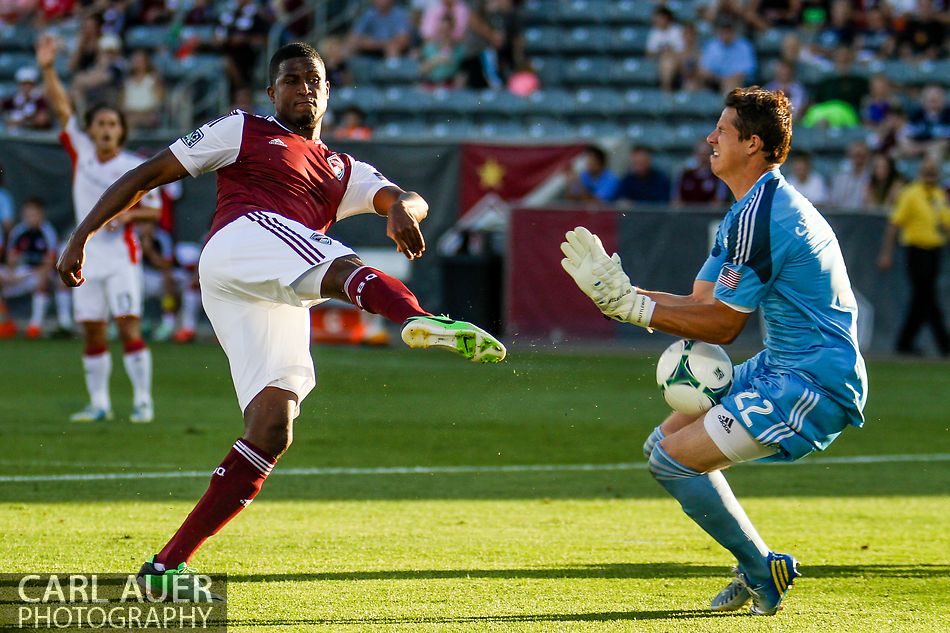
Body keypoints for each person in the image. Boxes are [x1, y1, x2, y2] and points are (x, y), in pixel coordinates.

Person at [55, 42, 506, 594]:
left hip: (272, 288)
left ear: (328, 92)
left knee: (273, 426)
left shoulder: (343, 168)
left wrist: (402, 211)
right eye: (291, 80)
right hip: (240, 242)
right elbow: (146, 175)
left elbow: (406, 197)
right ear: (272, 93)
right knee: (335, 258)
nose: (303, 88)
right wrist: (80, 236)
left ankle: (165, 567)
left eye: (313, 79)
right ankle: (418, 318)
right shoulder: (241, 129)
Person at [561, 87, 867, 616]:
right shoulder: (747, 210)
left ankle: (760, 569)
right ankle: (759, 567)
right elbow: (701, 304)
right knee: (663, 445)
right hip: (782, 366)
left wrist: (632, 308)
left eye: (722, 130)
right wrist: (619, 295)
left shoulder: (764, 215)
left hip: (814, 381)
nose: (710, 137)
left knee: (674, 461)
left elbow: (722, 327)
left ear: (752, 144)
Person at [38, 34, 161, 423]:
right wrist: (46, 68)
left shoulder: (132, 166)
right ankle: (100, 404)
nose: (106, 129)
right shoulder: (83, 153)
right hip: (86, 259)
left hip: (121, 259)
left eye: (112, 124)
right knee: (92, 332)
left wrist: (127, 216)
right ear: (91, 130)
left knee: (128, 328)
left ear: (121, 131)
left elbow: (154, 211)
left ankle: (143, 401)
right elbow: (61, 108)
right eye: (101, 124)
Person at [877, 159, 950, 356]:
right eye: (927, 173)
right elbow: (894, 224)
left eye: (933, 174)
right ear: (920, 174)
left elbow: (946, 223)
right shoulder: (910, 194)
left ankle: (905, 343)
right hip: (916, 251)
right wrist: (886, 253)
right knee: (927, 296)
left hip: (934, 251)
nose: (930, 177)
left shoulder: (938, 195)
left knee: (922, 298)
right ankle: (944, 344)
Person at [3, 198, 72, 338]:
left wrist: (30, 274)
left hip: (40, 274)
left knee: (47, 280)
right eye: (28, 214)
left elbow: (49, 264)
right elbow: (11, 259)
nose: (31, 218)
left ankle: (38, 326)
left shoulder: (47, 232)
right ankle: (5, 323)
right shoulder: (19, 231)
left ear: (41, 215)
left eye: (34, 214)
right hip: (22, 273)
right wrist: (12, 273)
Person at [698, 17, 756, 94]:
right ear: (719, 32)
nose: (726, 34)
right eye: (723, 31)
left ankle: (728, 104)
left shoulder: (744, 45)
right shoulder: (712, 45)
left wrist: (728, 79)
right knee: (693, 81)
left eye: (728, 31)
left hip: (737, 81)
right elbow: (704, 69)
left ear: (734, 32)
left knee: (731, 83)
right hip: (714, 81)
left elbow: (748, 70)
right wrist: (719, 78)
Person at [348, 0, 412, 59]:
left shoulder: (400, 14)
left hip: (393, 52)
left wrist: (372, 43)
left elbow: (403, 40)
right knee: (349, 48)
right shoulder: (368, 14)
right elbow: (354, 38)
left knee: (393, 49)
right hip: (370, 52)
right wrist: (381, 44)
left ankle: (391, 70)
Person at [675, 140, 726, 205]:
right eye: (700, 154)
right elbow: (676, 201)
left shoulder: (718, 176)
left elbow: (718, 202)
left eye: (706, 154)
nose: (703, 157)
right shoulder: (685, 174)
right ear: (695, 154)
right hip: (686, 213)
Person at [2, 66, 52, 131]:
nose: (27, 87)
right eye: (23, 84)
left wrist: (20, 122)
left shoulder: (40, 99)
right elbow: (3, 105)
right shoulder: (15, 98)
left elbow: (42, 120)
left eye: (29, 84)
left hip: (33, 135)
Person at [828, 139, 871, 208]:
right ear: (849, 155)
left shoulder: (872, 178)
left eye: (861, 156)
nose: (858, 159)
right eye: (856, 155)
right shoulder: (839, 178)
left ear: (867, 156)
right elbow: (833, 203)